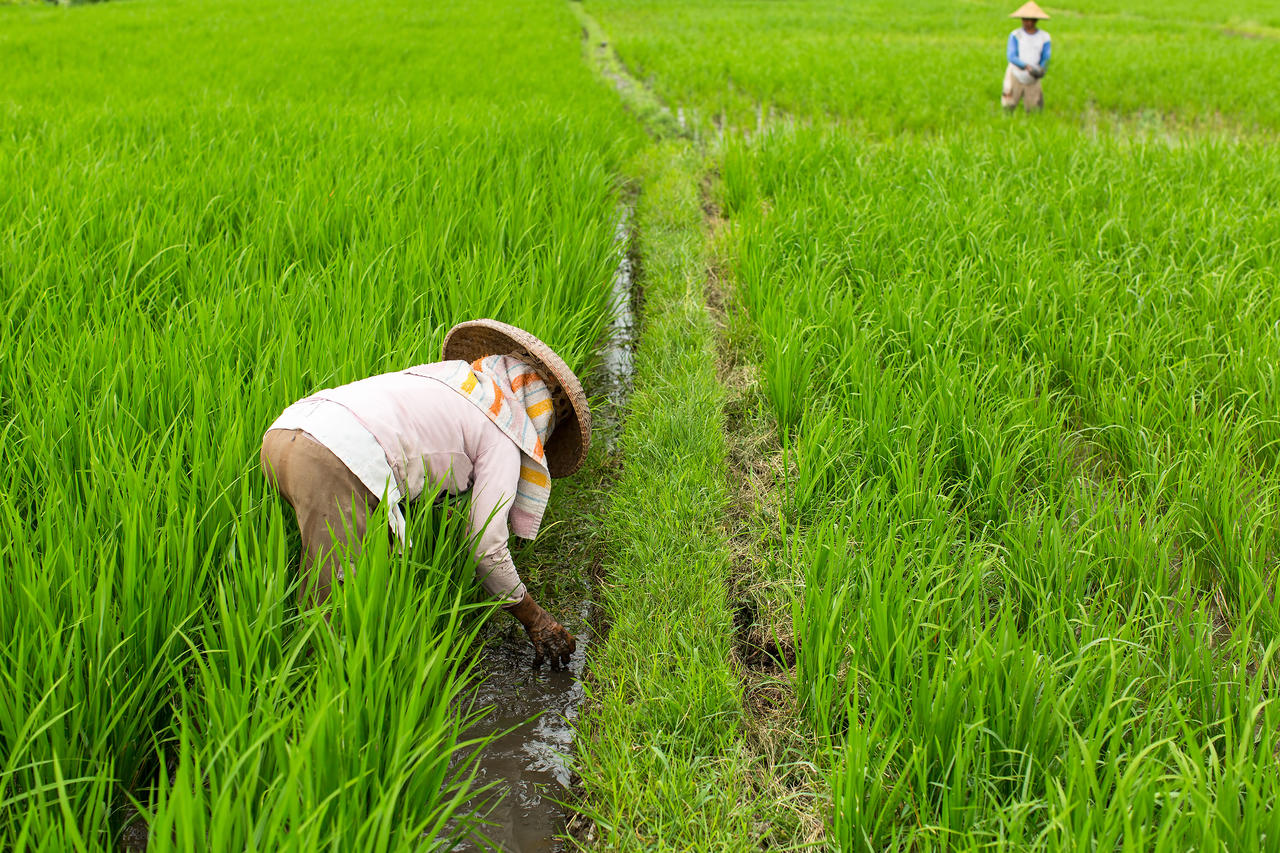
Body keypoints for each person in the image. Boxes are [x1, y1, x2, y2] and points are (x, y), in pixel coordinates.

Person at [260, 319, 587, 670]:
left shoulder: (445, 380)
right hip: (334, 460)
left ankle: (313, 680)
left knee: (353, 575)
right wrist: (535, 618)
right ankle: (324, 699)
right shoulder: (503, 430)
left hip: (284, 435)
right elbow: (486, 547)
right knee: (339, 612)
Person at [1002, 2, 1052, 113]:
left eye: (1031, 20)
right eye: (1025, 19)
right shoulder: (1016, 35)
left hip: (1033, 76)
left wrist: (1041, 69)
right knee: (1009, 106)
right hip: (1015, 73)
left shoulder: (1044, 37)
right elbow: (1011, 56)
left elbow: (1046, 56)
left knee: (1034, 108)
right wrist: (1026, 66)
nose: (1028, 22)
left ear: (1036, 21)